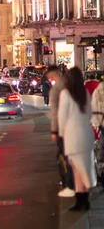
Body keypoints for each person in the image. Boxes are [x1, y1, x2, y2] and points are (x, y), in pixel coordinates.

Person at [58, 67, 96, 211]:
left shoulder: (66, 94)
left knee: (76, 169)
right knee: (85, 168)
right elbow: (90, 114)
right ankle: (85, 199)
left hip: (73, 136)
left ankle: (81, 201)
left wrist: (61, 134)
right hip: (86, 134)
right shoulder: (85, 93)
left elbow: (62, 118)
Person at [47, 65, 75, 197]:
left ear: (52, 76)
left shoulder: (55, 91)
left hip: (63, 128)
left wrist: (54, 131)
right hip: (76, 125)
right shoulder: (71, 85)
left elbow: (54, 112)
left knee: (65, 155)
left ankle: (70, 185)